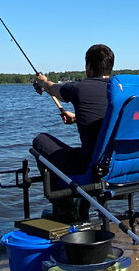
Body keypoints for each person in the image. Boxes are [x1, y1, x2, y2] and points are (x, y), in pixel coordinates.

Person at [31, 43, 114, 178]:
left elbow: (52, 88)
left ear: (88, 66)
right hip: (116, 162)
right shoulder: (120, 91)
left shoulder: (79, 88)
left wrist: (43, 81)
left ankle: (61, 193)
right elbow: (109, 120)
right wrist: (77, 118)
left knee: (40, 140)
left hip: (91, 166)